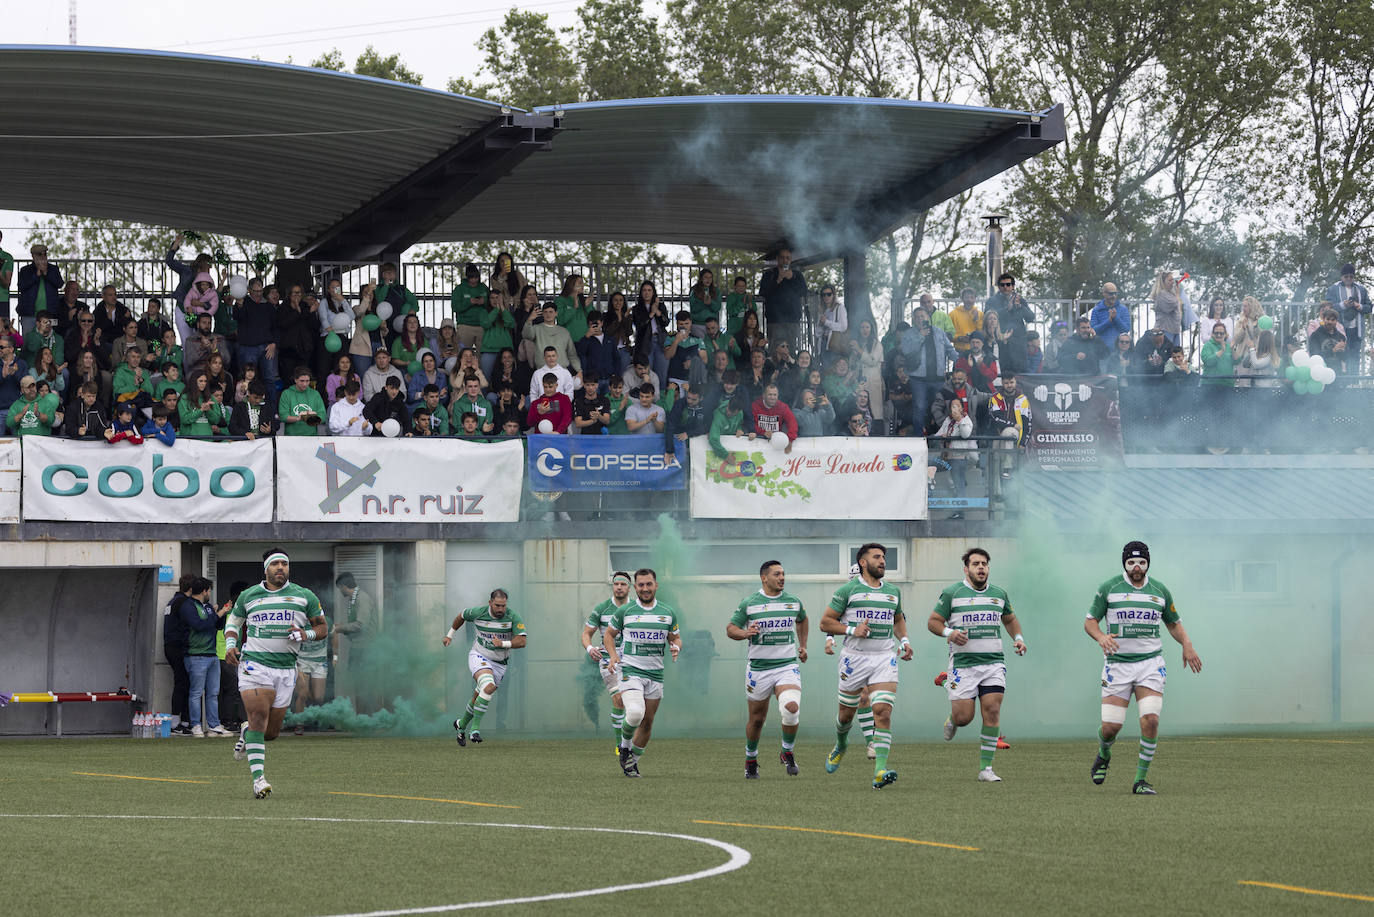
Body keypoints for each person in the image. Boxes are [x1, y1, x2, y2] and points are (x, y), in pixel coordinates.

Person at [1086, 541, 1202, 795]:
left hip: (1150, 664)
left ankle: (1140, 780)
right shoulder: (1109, 588)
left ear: (1148, 563)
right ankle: (1104, 752)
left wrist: (1187, 644)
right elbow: (1090, 621)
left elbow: (1173, 623)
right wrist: (1101, 637)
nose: (1136, 568)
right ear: (1124, 564)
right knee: (1110, 728)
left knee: (1150, 720)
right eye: (1131, 563)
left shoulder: (1159, 590)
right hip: (1117, 666)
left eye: (1141, 562)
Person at [225, 548, 328, 798]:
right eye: (275, 564)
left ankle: (246, 732)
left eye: (284, 564)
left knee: (269, 733)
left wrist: (306, 634)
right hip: (254, 664)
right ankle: (259, 780)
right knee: (259, 714)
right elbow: (234, 620)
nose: (280, 568)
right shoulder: (249, 595)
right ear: (266, 569)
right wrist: (230, 644)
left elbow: (323, 627)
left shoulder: (304, 596)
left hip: (285, 669)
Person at [929, 547, 1026, 782]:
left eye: (984, 564)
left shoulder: (999, 594)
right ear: (966, 569)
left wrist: (1019, 639)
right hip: (963, 665)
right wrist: (950, 633)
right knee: (964, 717)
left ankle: (986, 769)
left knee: (992, 710)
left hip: (993, 663)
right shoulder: (952, 593)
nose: (981, 568)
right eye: (976, 564)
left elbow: (1010, 619)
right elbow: (933, 622)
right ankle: (952, 716)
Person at [820, 543, 912, 789]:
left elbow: (897, 618)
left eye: (884, 557)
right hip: (854, 659)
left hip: (884, 658)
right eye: (877, 557)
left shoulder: (893, 591)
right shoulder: (848, 590)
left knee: (882, 711)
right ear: (863, 562)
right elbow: (826, 622)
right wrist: (852, 630)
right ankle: (841, 744)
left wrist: (904, 641)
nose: (882, 561)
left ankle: (880, 770)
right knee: (845, 716)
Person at [726, 560, 809, 778]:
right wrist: (745, 633)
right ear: (764, 578)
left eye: (783, 573)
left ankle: (787, 752)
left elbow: (802, 619)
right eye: (776, 574)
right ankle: (751, 759)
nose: (782, 578)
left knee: (791, 708)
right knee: (757, 719)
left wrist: (803, 645)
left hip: (786, 666)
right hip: (759, 670)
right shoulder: (750, 603)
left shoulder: (793, 601)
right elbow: (731, 629)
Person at [603, 568, 682, 777]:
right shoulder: (625, 611)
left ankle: (632, 762)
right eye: (641, 585)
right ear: (635, 587)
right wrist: (612, 655)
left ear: (656, 585)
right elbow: (609, 635)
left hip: (655, 675)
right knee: (636, 712)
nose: (645, 589)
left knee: (647, 722)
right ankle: (625, 745)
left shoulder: (667, 612)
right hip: (630, 670)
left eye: (649, 584)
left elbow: (675, 638)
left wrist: (677, 647)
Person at [442, 589, 527, 745]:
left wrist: (503, 644)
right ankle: (474, 730)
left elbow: (522, 642)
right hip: (479, 656)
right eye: (497, 605)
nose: (501, 609)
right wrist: (450, 634)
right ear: (490, 603)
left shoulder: (513, 617)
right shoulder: (478, 612)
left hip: (500, 664)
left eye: (503, 606)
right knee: (488, 686)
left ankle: (460, 725)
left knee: (478, 696)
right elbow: (461, 616)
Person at [581, 573, 634, 756]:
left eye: (623, 584)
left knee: (633, 703)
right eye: (616, 584)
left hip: (633, 660)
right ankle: (621, 745)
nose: (619, 587)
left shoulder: (637, 608)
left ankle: (629, 738)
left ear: (630, 587)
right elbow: (586, 633)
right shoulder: (602, 608)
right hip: (608, 659)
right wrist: (589, 649)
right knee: (618, 698)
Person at [182, 576, 232, 737]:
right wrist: (219, 613)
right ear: (204, 591)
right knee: (196, 692)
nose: (210, 593)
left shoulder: (209, 607)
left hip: (212, 654)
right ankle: (196, 725)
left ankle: (214, 725)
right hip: (196, 655)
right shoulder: (188, 606)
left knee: (213, 692)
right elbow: (199, 625)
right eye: (209, 590)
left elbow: (216, 625)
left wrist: (221, 615)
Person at [334, 573, 379, 713]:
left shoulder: (362, 598)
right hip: (358, 647)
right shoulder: (354, 599)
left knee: (364, 685)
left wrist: (340, 628)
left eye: (339, 588)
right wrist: (343, 627)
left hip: (366, 648)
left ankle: (368, 719)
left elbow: (361, 625)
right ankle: (362, 718)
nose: (339, 591)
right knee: (358, 684)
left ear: (343, 586)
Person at [984, 273, 1036, 373]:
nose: (1005, 287)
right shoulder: (992, 301)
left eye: (1008, 284)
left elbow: (1031, 318)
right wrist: (1006, 309)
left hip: (1019, 345)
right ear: (999, 287)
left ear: (1012, 286)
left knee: (1021, 375)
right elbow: (987, 317)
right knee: (1003, 373)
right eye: (1002, 285)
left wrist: (1021, 307)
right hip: (1000, 344)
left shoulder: (1020, 300)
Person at [759, 245, 807, 351]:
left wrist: (792, 278)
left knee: (791, 350)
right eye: (782, 257)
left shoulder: (797, 275)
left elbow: (804, 292)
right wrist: (778, 280)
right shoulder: (769, 274)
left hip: (792, 321)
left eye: (787, 258)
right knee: (775, 350)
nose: (785, 260)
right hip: (775, 321)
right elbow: (763, 292)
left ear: (790, 260)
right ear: (777, 259)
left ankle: (791, 368)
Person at [278, 367, 326, 435]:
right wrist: (299, 418)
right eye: (302, 381)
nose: (305, 384)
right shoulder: (286, 394)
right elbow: (283, 416)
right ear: (295, 380)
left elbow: (323, 415)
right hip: (292, 437)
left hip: (312, 436)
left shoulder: (315, 394)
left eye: (307, 381)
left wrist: (314, 418)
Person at [750, 382, 797, 449]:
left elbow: (792, 423)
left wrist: (789, 440)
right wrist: (764, 433)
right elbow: (751, 424)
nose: (772, 397)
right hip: (758, 441)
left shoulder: (783, 407)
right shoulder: (755, 406)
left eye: (775, 395)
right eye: (770, 395)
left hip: (776, 443)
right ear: (764, 395)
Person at [1090, 282, 1131, 348]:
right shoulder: (1096, 310)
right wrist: (1108, 321)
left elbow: (1126, 329)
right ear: (1104, 293)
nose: (1114, 296)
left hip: (1118, 350)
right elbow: (1093, 330)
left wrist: (1116, 318)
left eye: (1115, 293)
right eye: (1111, 293)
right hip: (1101, 349)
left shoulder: (1123, 309)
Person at [1150, 270, 1182, 345]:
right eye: (1170, 280)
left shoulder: (1170, 293)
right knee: (1167, 353)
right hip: (1165, 329)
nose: (1172, 282)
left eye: (1173, 280)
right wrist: (1177, 295)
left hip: (1174, 329)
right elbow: (1174, 303)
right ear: (1163, 282)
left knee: (1175, 353)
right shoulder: (1161, 294)